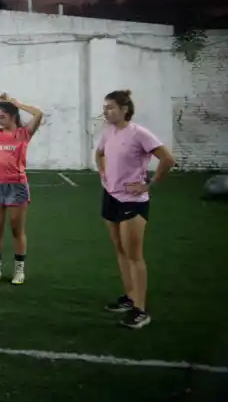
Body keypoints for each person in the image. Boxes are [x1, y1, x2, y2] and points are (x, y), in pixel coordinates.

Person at [95, 90, 174, 329]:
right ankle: (130, 297)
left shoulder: (139, 133)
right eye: (105, 108)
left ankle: (141, 310)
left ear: (125, 109)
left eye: (111, 107)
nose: (106, 112)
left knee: (134, 255)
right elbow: (99, 153)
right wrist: (103, 173)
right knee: (120, 250)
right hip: (111, 197)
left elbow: (167, 159)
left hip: (133, 201)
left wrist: (148, 183)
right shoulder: (108, 132)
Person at [0, 93, 44, 285]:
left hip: (17, 186)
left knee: (16, 229)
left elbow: (38, 114)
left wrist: (16, 103)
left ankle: (19, 270)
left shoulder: (23, 134)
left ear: (13, 116)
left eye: (2, 116)